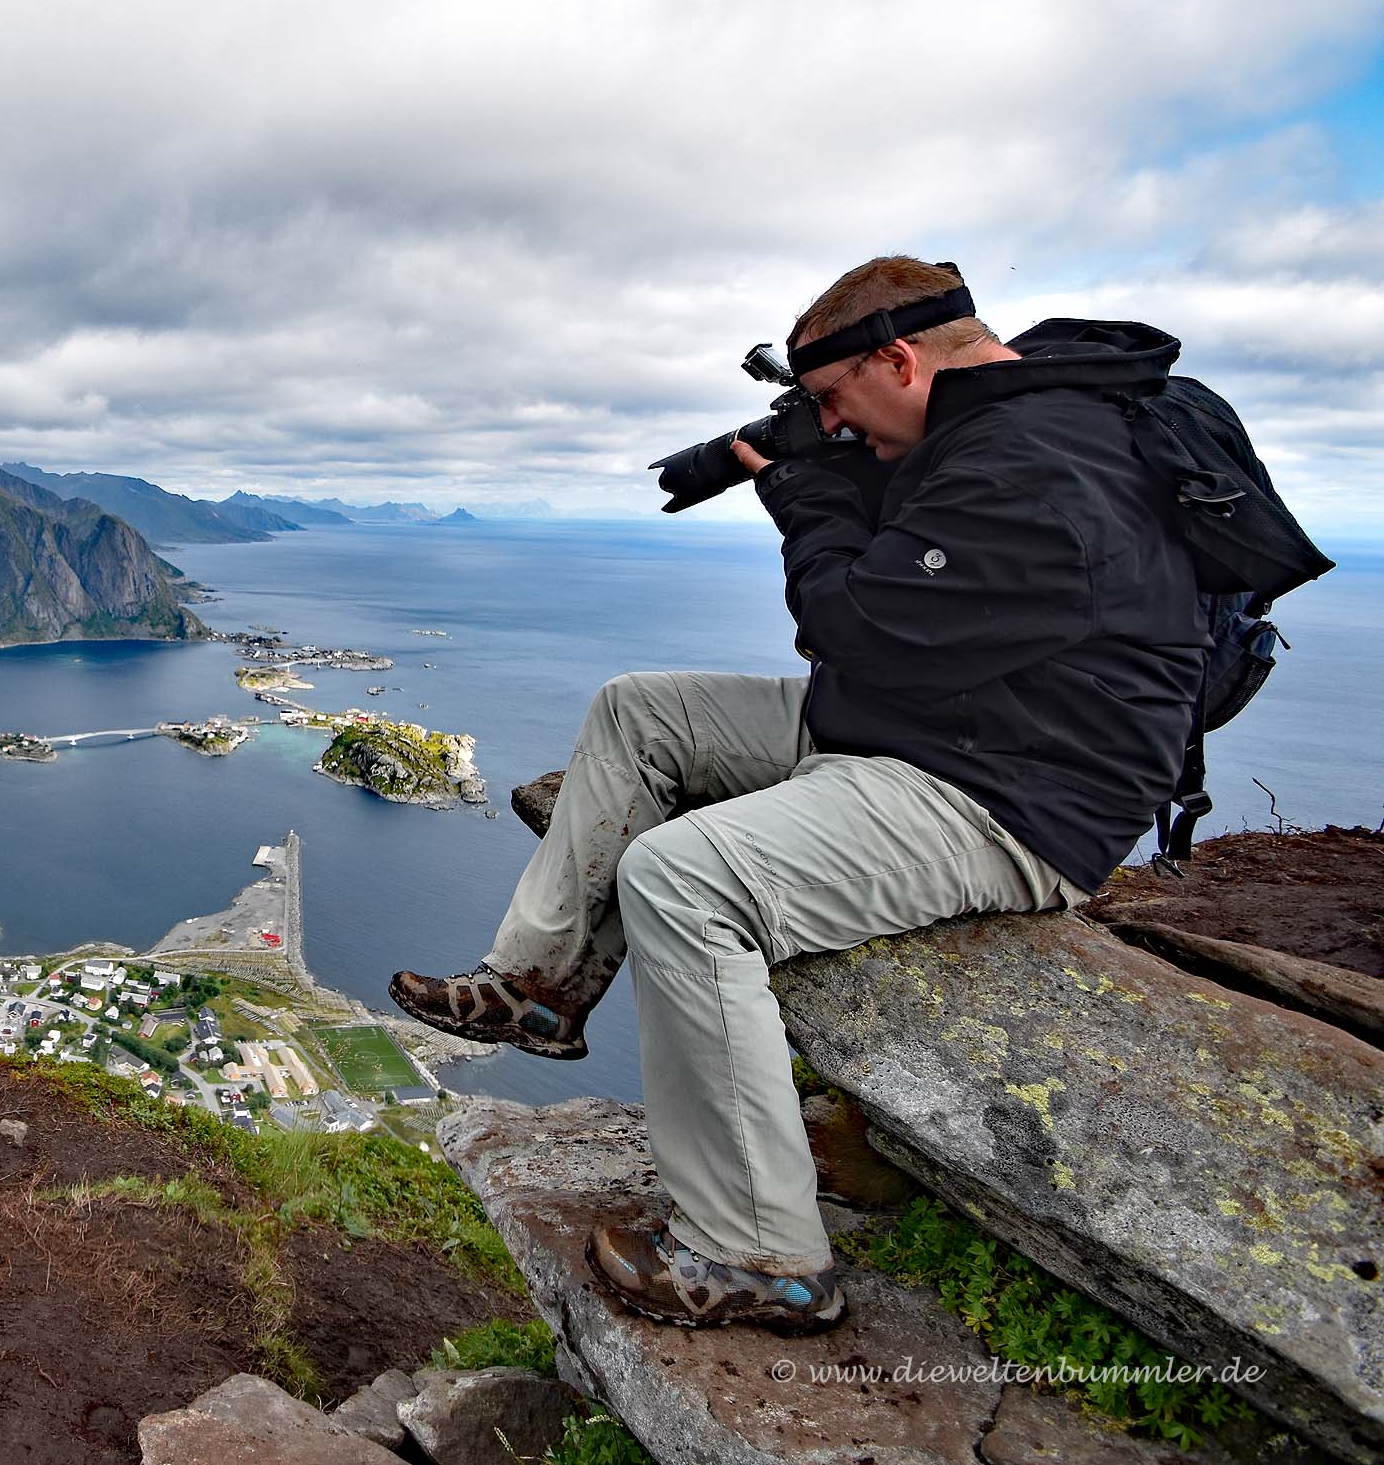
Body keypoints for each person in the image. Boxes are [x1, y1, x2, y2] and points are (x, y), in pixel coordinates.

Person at [391, 256, 1206, 1333]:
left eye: (833, 400)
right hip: (924, 717)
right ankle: (537, 984)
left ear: (899, 358)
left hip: (1008, 790)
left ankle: (754, 1247)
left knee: (681, 877)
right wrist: (831, 462)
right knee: (643, 708)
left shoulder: (1038, 460)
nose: (829, 423)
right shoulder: (990, 419)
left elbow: (850, 623)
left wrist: (807, 491)